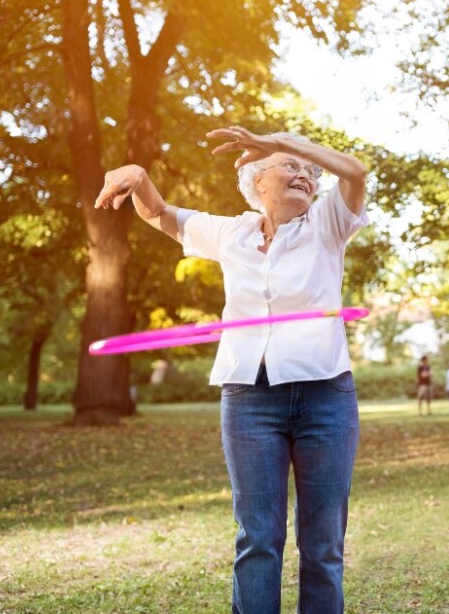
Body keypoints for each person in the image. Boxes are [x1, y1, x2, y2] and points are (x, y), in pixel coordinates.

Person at [94, 125, 369, 614]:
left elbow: (354, 171)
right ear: (257, 180)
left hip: (325, 397)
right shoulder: (231, 232)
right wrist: (137, 176)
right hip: (249, 400)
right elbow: (158, 213)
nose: (305, 174)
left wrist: (288, 143)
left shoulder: (327, 225)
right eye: (290, 167)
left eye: (309, 171)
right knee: (257, 539)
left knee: (324, 545)